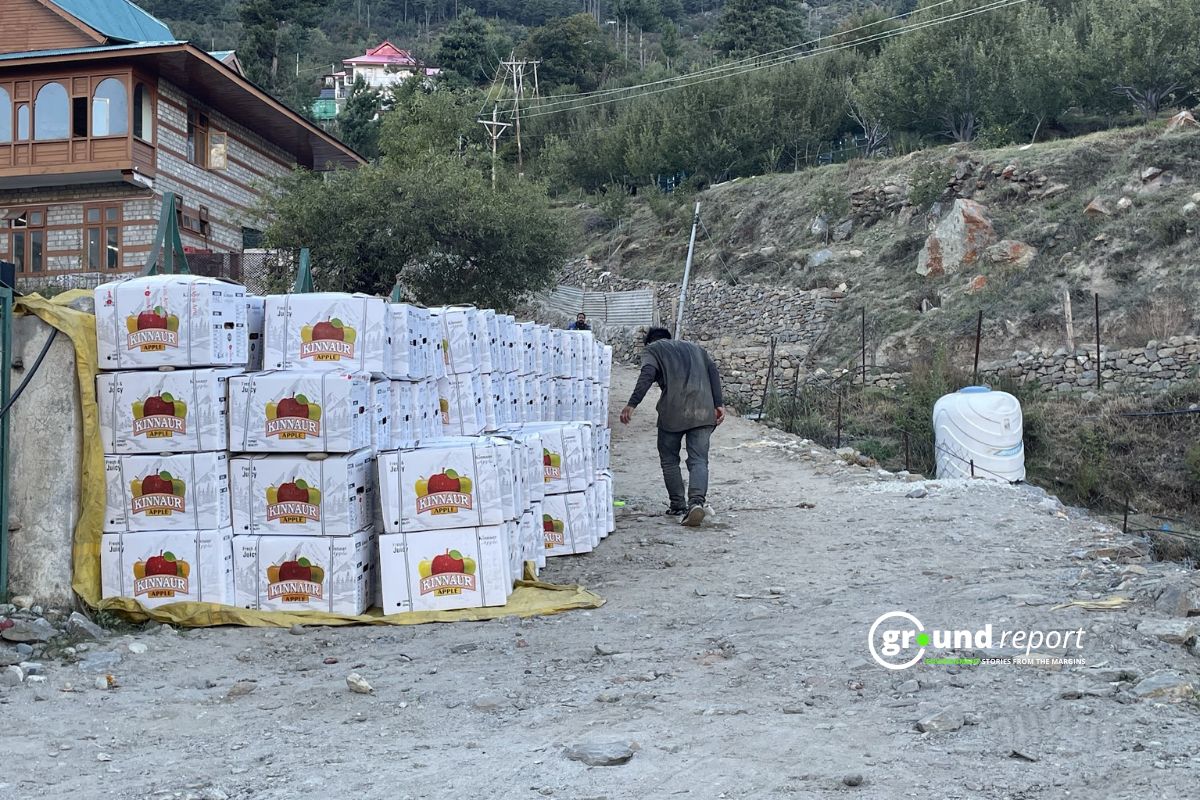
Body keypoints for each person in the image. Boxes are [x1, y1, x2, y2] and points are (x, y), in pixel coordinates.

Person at [620, 327, 725, 526]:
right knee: (699, 460)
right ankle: (696, 503)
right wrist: (718, 403)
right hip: (703, 410)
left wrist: (632, 404)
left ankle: (678, 505)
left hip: (673, 411)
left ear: (649, 342)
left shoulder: (653, 349)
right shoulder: (697, 348)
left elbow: (647, 373)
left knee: (669, 459)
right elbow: (713, 371)